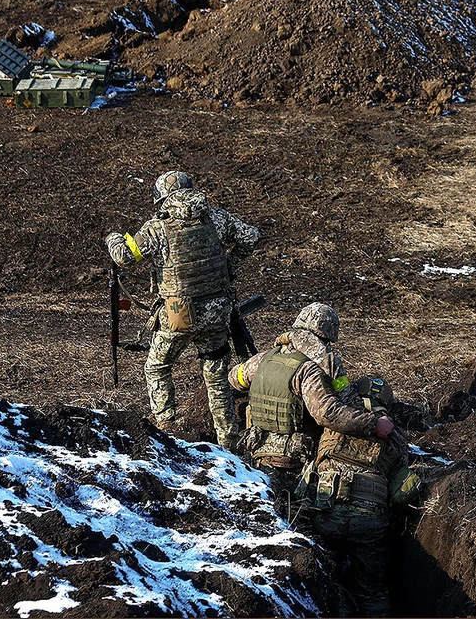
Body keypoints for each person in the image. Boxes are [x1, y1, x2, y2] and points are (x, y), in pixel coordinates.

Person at [106, 170, 259, 448]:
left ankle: (165, 428)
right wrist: (229, 269)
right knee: (216, 376)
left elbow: (124, 257)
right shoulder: (216, 218)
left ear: (163, 198)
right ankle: (228, 440)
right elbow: (251, 236)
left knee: (157, 366)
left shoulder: (157, 228)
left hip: (178, 312)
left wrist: (113, 238)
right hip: (217, 309)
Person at [228, 303, 394, 515]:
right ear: (326, 336)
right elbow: (329, 413)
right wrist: (373, 423)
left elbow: (235, 378)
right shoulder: (311, 369)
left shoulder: (264, 358)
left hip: (255, 452)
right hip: (294, 461)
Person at [309, 376, 420, 618]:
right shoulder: (396, 436)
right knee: (372, 590)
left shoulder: (338, 419)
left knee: (326, 580)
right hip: (371, 519)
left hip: (327, 511)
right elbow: (399, 487)